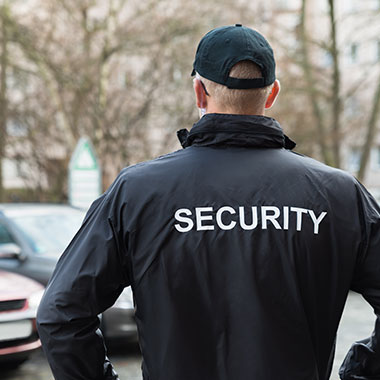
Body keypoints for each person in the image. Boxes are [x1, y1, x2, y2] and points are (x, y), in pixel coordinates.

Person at [37, 24, 380, 380]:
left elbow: (61, 314)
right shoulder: (337, 193)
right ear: (273, 92)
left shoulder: (138, 192)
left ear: (199, 91)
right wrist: (361, 371)